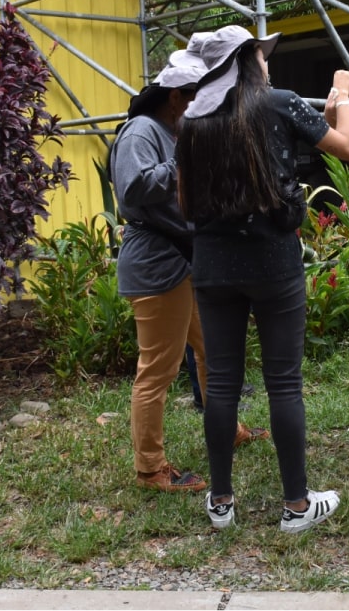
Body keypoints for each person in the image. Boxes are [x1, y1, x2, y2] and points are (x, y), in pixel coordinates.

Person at [176, 24, 349, 532]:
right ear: (247, 61)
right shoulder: (278, 103)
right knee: (283, 383)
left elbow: (184, 201)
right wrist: (340, 93)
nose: (269, 62)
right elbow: (348, 148)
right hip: (273, 261)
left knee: (223, 386)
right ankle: (297, 507)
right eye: (263, 54)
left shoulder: (193, 119)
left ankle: (221, 504)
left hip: (212, 265)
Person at [112, 40, 268, 493]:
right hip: (158, 263)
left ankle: (228, 428)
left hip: (185, 259)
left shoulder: (173, 132)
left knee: (212, 352)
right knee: (157, 370)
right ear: (176, 96)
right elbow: (134, 187)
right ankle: (150, 468)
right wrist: (189, 163)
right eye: (196, 98)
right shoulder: (142, 130)